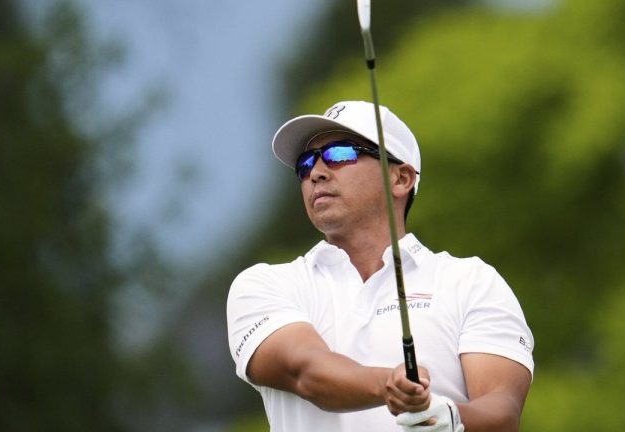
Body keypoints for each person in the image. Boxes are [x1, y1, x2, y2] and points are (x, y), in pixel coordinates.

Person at [226, 101, 534, 432]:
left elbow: (502, 411)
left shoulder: (472, 281)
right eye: (305, 164)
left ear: (401, 178)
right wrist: (390, 384)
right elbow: (305, 372)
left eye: (339, 154)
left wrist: (455, 417)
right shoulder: (265, 285)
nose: (316, 172)